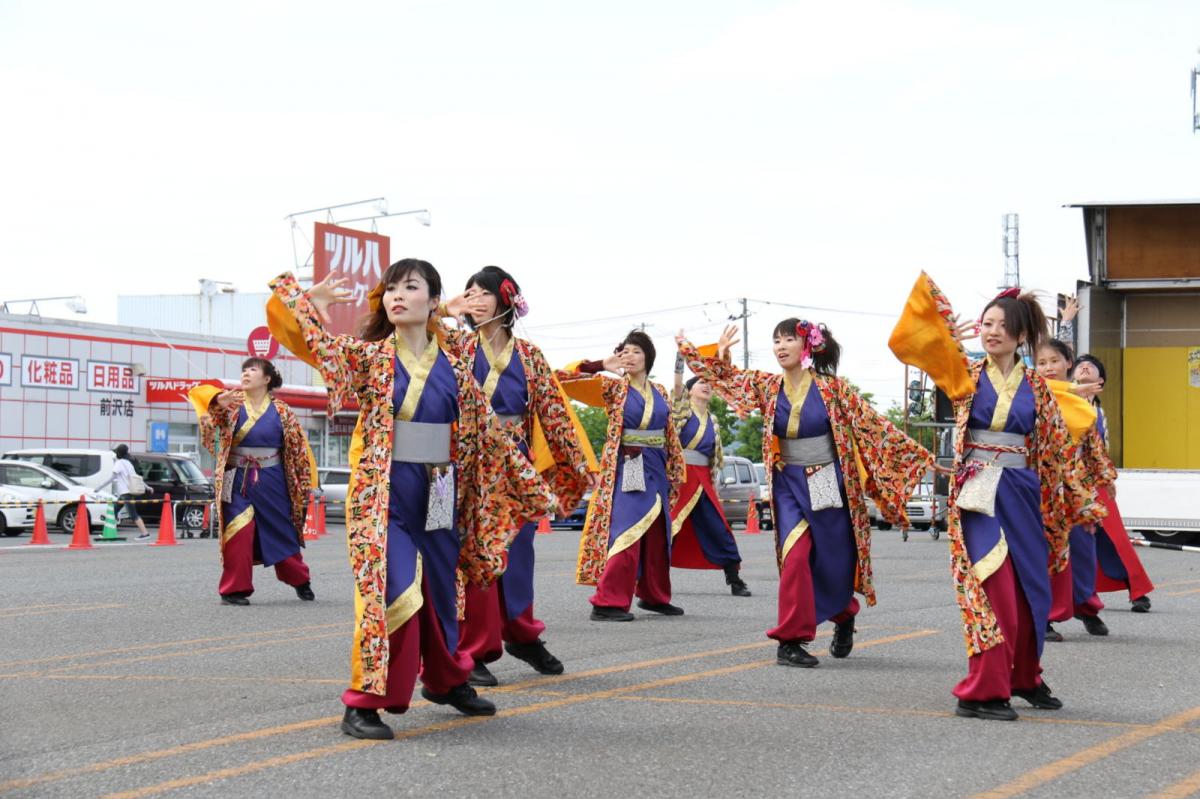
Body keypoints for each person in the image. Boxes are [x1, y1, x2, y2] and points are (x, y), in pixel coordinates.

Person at [268, 259, 560, 741]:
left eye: (410, 287)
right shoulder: (368, 357)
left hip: (441, 489)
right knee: (394, 590)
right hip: (385, 492)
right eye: (391, 289)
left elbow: (489, 433)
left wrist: (532, 489)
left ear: (433, 299)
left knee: (443, 592)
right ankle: (365, 701)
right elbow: (317, 345)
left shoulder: (457, 366)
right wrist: (306, 303)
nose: (397, 296)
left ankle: (448, 682)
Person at [891, 276, 1104, 721]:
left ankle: (1024, 676)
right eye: (986, 323)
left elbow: (1056, 450)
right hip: (978, 494)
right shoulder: (963, 373)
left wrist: (1080, 499)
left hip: (1023, 492)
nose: (991, 332)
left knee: (1032, 592)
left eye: (1002, 326)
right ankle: (981, 691)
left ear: (1021, 335)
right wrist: (946, 335)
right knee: (994, 590)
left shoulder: (1038, 388)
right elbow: (908, 343)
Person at [680, 321, 933, 668]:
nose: (781, 346)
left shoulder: (834, 389)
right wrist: (716, 355)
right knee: (796, 557)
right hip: (787, 482)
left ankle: (844, 614)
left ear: (808, 346)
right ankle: (790, 640)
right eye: (776, 341)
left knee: (833, 559)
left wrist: (921, 457)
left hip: (826, 479)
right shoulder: (768, 386)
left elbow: (875, 427)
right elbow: (728, 380)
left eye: (789, 339)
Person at [439, 266, 596, 687]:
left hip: (516, 464)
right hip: (469, 460)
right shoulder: (454, 345)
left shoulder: (529, 355)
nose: (474, 300)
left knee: (520, 552)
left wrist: (581, 464)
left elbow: (554, 412)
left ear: (504, 299)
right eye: (468, 293)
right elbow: (410, 340)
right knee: (476, 553)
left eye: (482, 292)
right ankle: (474, 649)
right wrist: (442, 311)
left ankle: (522, 634)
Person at [557, 331, 687, 621]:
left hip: (657, 465)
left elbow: (669, 433)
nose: (629, 356)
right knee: (627, 529)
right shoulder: (613, 388)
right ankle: (607, 601)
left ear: (648, 358)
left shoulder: (660, 391)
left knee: (658, 532)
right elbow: (562, 379)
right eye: (625, 351)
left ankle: (654, 595)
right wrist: (601, 364)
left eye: (636, 351)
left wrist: (675, 469)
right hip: (628, 463)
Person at [188, 358, 316, 606]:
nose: (246, 373)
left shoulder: (283, 411)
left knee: (281, 529)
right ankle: (233, 589)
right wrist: (216, 405)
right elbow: (209, 436)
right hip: (235, 477)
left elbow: (298, 450)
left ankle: (300, 579)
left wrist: (304, 482)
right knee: (238, 531)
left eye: (253, 370)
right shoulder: (230, 404)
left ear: (267, 379)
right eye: (244, 370)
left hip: (272, 478)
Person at [1035, 337, 1109, 641]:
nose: (1048, 368)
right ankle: (1043, 617)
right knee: (1043, 553)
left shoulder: (1081, 401)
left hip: (1076, 484)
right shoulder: (1031, 395)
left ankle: (1086, 607)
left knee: (1083, 549)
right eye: (1041, 363)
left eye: (1054, 360)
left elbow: (1093, 446)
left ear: (1069, 362)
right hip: (1040, 484)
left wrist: (1104, 480)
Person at [1073, 353, 1154, 613]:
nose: (1085, 367)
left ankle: (1137, 589)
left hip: (1095, 481)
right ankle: (1078, 596)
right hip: (1066, 480)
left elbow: (1102, 450)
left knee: (1114, 537)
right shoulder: (1061, 402)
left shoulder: (1099, 412)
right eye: (1080, 366)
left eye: (1092, 366)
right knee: (1071, 540)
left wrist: (1107, 477)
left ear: (1101, 382)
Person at [668, 351, 750, 597]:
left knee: (719, 528)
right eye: (700, 382)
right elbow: (677, 386)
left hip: (704, 479)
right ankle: (649, 582)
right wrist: (680, 357)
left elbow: (714, 457)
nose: (706, 386)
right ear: (689, 390)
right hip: (681, 478)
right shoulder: (682, 410)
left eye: (709, 384)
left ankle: (734, 579)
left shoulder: (713, 419)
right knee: (668, 530)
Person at [109, 444, 152, 540]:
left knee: (133, 514)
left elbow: (112, 477)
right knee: (114, 510)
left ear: (118, 453)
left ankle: (145, 533)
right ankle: (110, 531)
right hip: (126, 493)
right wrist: (147, 487)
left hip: (125, 493)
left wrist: (99, 487)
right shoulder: (128, 463)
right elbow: (136, 478)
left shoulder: (119, 463)